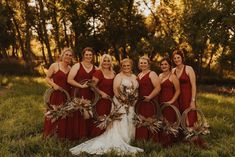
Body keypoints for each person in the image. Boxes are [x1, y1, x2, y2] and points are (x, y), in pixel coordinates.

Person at [69, 58, 144, 155]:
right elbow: (116, 91)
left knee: (130, 118)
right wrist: (123, 100)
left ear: (131, 66)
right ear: (121, 67)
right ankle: (122, 138)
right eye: (124, 66)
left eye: (128, 65)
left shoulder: (134, 76)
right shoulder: (118, 76)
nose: (126, 67)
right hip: (120, 103)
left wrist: (133, 99)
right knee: (121, 120)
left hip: (131, 103)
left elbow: (136, 89)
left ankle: (129, 139)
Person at [172, 49, 205, 147]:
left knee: (189, 118)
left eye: (178, 57)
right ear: (173, 60)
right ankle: (183, 139)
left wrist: (193, 100)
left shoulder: (188, 69)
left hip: (187, 97)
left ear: (182, 58)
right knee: (179, 117)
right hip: (177, 98)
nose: (177, 59)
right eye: (175, 58)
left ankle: (193, 140)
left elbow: (194, 85)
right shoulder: (173, 70)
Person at [43, 48, 73, 138]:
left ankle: (61, 135)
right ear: (62, 55)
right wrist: (53, 84)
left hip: (66, 94)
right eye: (66, 54)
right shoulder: (55, 66)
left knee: (64, 114)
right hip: (56, 93)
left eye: (70, 55)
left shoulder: (70, 68)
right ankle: (49, 134)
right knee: (53, 113)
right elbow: (47, 78)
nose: (68, 56)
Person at [67, 47, 96, 140]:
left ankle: (86, 135)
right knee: (77, 113)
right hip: (77, 92)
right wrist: (81, 86)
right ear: (83, 55)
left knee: (88, 112)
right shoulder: (77, 66)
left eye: (90, 55)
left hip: (89, 94)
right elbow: (69, 80)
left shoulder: (95, 68)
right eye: (86, 54)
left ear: (93, 56)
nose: (88, 56)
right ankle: (76, 135)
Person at [135, 56, 161, 142]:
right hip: (141, 101)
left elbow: (158, 88)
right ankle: (141, 140)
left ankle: (152, 141)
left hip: (150, 101)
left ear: (148, 64)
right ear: (139, 64)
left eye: (145, 63)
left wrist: (149, 97)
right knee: (141, 119)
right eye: (141, 63)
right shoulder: (139, 75)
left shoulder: (152, 73)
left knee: (150, 119)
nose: (143, 64)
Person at [90, 54, 115, 137]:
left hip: (111, 100)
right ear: (101, 62)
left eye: (108, 61)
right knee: (100, 118)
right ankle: (97, 136)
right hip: (100, 100)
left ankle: (107, 136)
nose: (106, 63)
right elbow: (92, 86)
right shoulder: (98, 72)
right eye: (104, 61)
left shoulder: (113, 73)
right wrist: (101, 93)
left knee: (109, 118)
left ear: (111, 63)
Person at [158, 57, 180, 147]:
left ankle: (168, 142)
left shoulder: (173, 76)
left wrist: (171, 101)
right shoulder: (159, 76)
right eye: (162, 64)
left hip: (170, 103)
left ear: (169, 66)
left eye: (165, 64)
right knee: (161, 120)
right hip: (160, 102)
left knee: (169, 121)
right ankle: (161, 140)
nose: (164, 66)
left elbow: (178, 90)